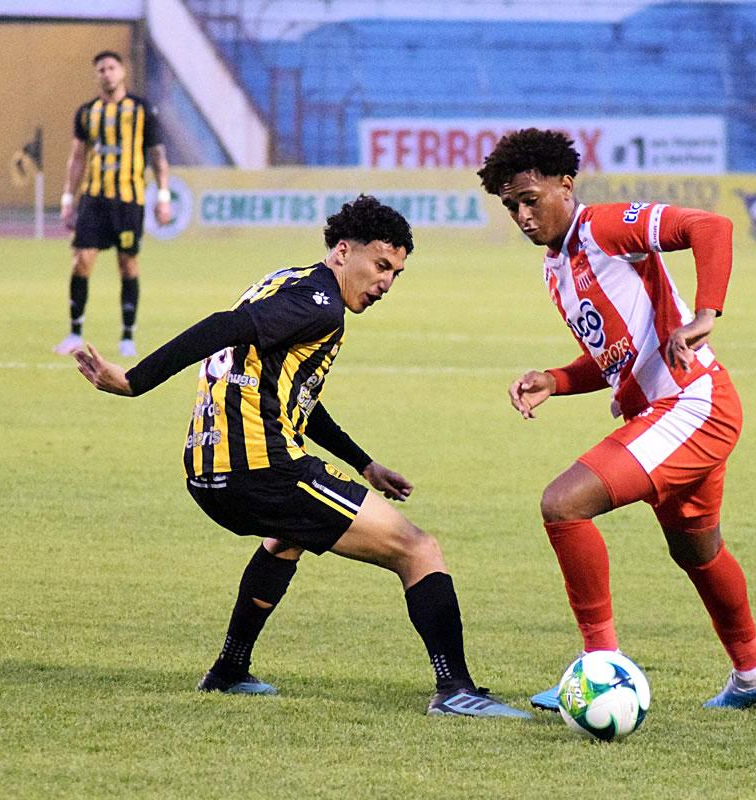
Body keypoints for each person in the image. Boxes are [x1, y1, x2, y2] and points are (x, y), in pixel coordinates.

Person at [72, 195, 529, 718]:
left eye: (396, 274)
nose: (386, 282)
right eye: (381, 265)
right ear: (343, 251)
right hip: (263, 469)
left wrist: (363, 463)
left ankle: (229, 669)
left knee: (288, 538)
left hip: (208, 472)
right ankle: (456, 690)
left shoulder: (286, 282)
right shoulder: (319, 304)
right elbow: (223, 325)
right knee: (418, 549)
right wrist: (134, 380)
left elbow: (294, 396)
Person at [477, 129, 756, 710]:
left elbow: (710, 227)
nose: (522, 216)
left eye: (530, 199)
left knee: (562, 504)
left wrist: (705, 314)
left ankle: (600, 667)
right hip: (676, 412)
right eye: (510, 206)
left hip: (692, 404)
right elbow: (616, 357)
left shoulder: (602, 227)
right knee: (697, 553)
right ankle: (755, 673)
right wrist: (556, 379)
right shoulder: (555, 267)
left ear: (565, 185)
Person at [53, 50, 171, 359]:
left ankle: (127, 336)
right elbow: (77, 158)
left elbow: (158, 156)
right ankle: (75, 333)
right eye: (101, 69)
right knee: (81, 260)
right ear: (97, 75)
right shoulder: (86, 113)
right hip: (93, 200)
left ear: (122, 71)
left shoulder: (142, 110)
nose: (107, 73)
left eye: (111, 67)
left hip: (129, 201)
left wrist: (163, 197)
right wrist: (68, 198)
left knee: (127, 264)